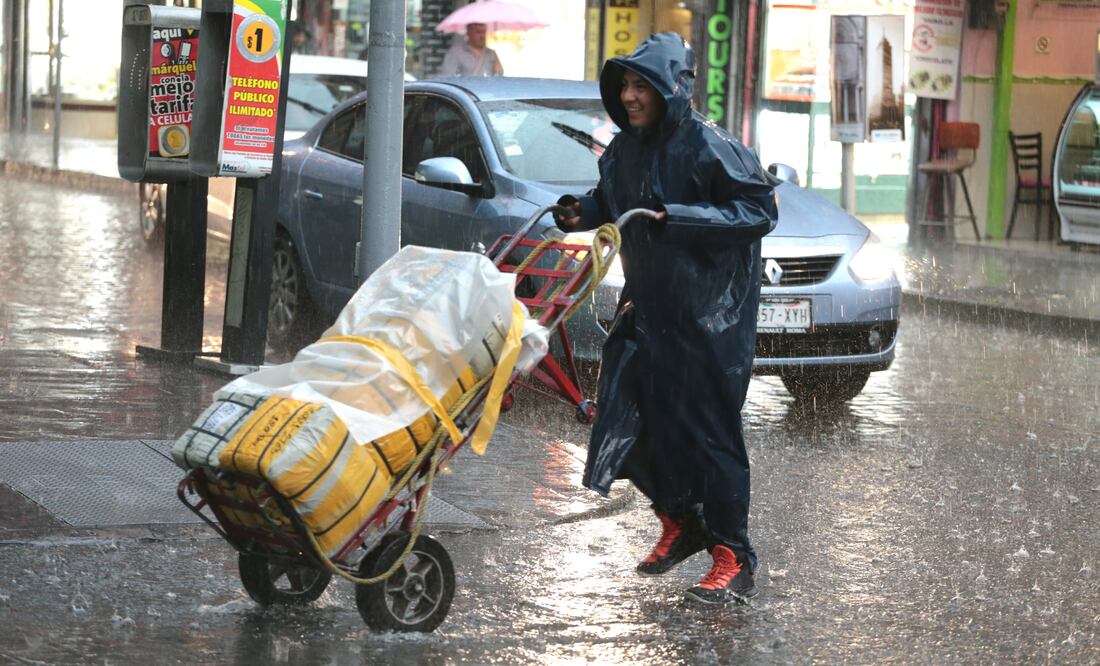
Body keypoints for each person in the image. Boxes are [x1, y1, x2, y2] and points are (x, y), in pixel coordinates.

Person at [555, 33, 778, 605]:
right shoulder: (624, 149)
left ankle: (734, 556)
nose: (629, 96)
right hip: (648, 307)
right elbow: (612, 197)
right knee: (628, 415)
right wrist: (583, 212)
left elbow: (758, 210)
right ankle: (680, 520)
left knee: (707, 434)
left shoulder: (713, 147)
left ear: (669, 87)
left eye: (640, 85)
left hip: (710, 320)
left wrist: (677, 216)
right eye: (624, 85)